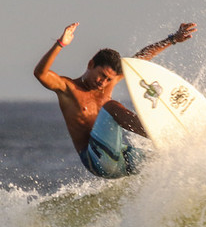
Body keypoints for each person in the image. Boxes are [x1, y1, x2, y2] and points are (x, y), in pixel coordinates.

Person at [34, 22, 197, 178]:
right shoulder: (68, 89)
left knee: (170, 161)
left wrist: (172, 39)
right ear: (91, 64)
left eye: (108, 79)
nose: (103, 83)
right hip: (96, 160)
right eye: (102, 76)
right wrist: (60, 44)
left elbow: (139, 59)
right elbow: (40, 74)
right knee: (110, 106)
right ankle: (162, 136)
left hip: (119, 155)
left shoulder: (107, 83)